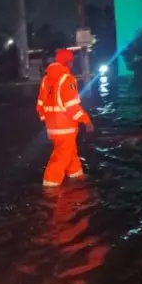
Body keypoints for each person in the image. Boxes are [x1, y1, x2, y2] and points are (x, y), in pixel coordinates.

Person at [36, 49, 94, 187]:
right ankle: (50, 187)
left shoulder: (46, 79)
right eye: (72, 61)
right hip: (66, 127)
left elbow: (40, 105)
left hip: (53, 128)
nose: (72, 64)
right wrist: (87, 121)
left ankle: (76, 177)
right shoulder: (67, 79)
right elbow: (72, 107)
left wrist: (45, 120)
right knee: (61, 157)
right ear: (68, 62)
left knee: (70, 152)